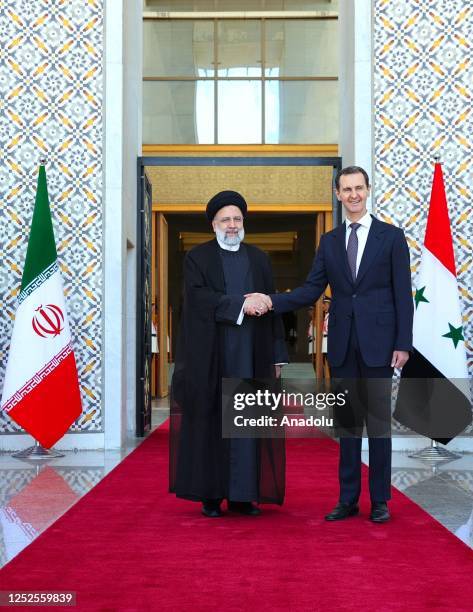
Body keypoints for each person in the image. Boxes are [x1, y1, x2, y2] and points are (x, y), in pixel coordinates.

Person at [246, 166, 413, 523]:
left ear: (368, 190)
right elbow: (310, 290)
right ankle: (348, 499)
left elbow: (403, 295)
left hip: (381, 345)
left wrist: (403, 343)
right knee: (348, 426)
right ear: (337, 195)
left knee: (378, 425)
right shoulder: (330, 242)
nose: (352, 194)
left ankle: (380, 500)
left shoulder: (392, 237)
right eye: (346, 189)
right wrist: (271, 300)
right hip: (341, 344)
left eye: (358, 188)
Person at [169, 190, 288, 518]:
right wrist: (240, 304)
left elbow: (273, 305)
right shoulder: (198, 258)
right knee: (212, 423)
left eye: (237, 219)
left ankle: (243, 495)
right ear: (214, 224)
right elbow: (197, 299)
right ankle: (211, 494)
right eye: (226, 220)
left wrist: (278, 355)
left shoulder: (259, 259)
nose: (232, 225)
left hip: (253, 355)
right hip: (212, 357)